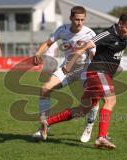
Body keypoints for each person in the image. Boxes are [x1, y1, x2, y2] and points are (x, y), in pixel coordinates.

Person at [38, 12, 127, 149]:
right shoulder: (107, 35)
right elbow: (83, 47)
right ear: (120, 24)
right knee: (110, 100)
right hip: (97, 71)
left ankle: (47, 122)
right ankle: (101, 137)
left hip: (103, 74)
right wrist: (68, 66)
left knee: (84, 109)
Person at [33, 6, 99, 143]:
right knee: (45, 89)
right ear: (70, 18)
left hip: (85, 70)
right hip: (66, 69)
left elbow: (94, 54)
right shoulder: (62, 30)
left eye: (82, 20)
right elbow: (48, 43)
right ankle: (44, 127)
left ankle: (89, 125)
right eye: (77, 19)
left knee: (91, 100)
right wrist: (38, 53)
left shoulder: (90, 33)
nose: (79, 22)